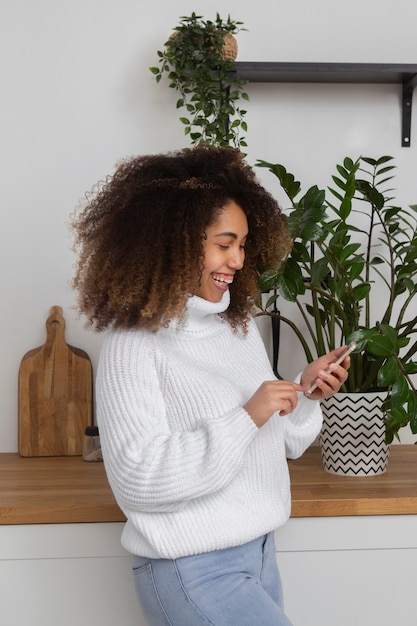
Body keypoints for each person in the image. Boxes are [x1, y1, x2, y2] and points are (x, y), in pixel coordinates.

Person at [72, 145, 350, 626]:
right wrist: (247, 416)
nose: (239, 260)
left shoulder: (235, 329)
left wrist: (303, 395)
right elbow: (139, 479)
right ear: (177, 242)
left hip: (261, 555)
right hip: (194, 569)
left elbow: (280, 443)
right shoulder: (133, 344)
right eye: (225, 244)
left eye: (242, 244)